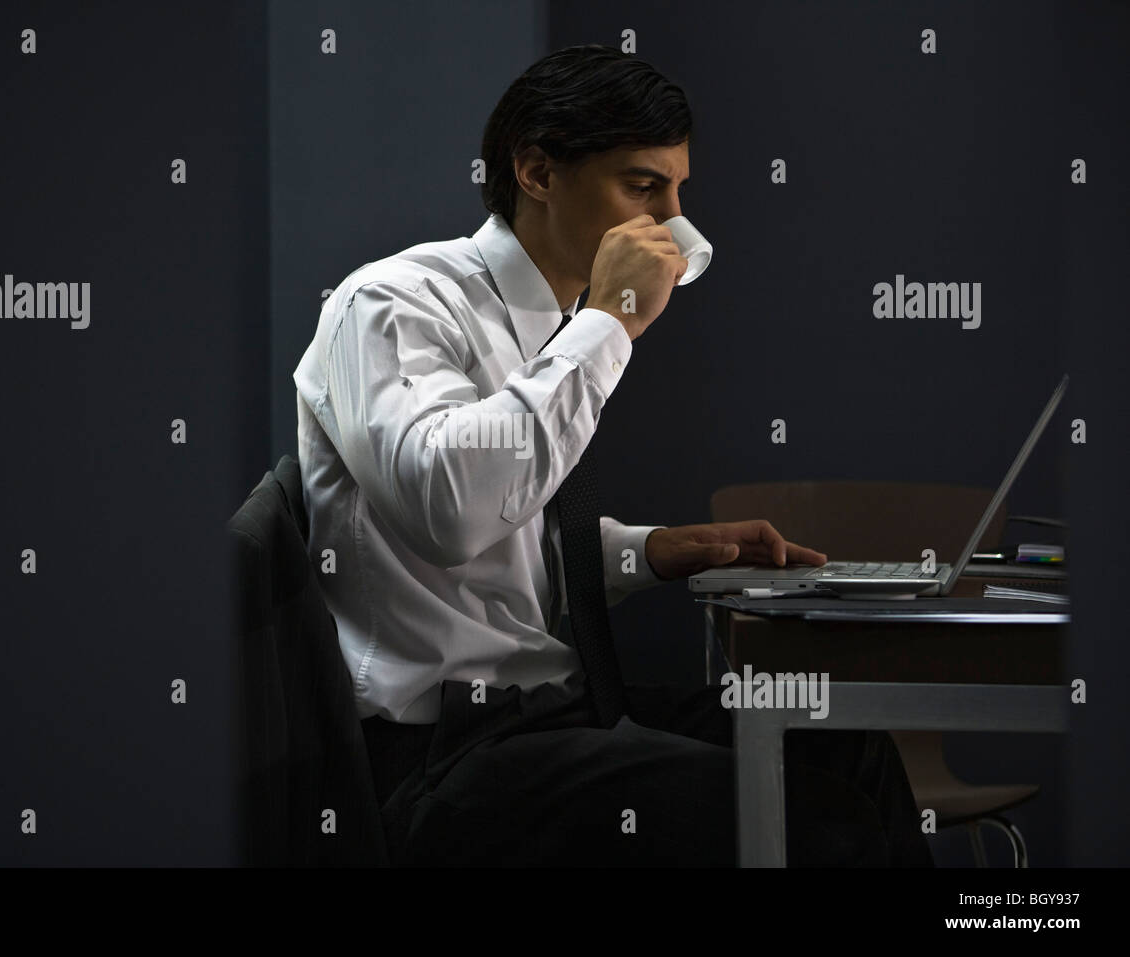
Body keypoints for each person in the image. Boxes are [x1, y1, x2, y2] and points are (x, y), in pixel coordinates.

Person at [292, 44, 933, 866]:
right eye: (642, 186)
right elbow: (447, 512)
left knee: (850, 751)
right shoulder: (392, 304)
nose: (672, 222)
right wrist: (610, 322)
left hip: (548, 712)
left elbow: (494, 537)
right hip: (444, 753)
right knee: (809, 820)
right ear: (536, 172)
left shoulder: (550, 328)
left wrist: (644, 552)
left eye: (677, 191)